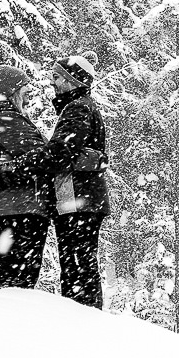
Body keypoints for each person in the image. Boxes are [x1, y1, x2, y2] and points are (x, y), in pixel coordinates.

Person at [0, 65, 52, 290]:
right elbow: (43, 156)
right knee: (14, 281)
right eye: (24, 92)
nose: (28, 98)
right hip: (16, 209)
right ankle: (1, 320)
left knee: (10, 276)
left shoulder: (6, 119)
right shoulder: (8, 120)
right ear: (11, 93)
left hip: (11, 208)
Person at [47, 53, 110, 308]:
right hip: (80, 198)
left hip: (77, 199)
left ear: (72, 80)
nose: (53, 83)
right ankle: (84, 313)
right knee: (80, 261)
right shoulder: (82, 106)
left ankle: (81, 316)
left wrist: (35, 159)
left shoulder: (78, 107)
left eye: (57, 77)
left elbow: (61, 151)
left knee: (76, 263)